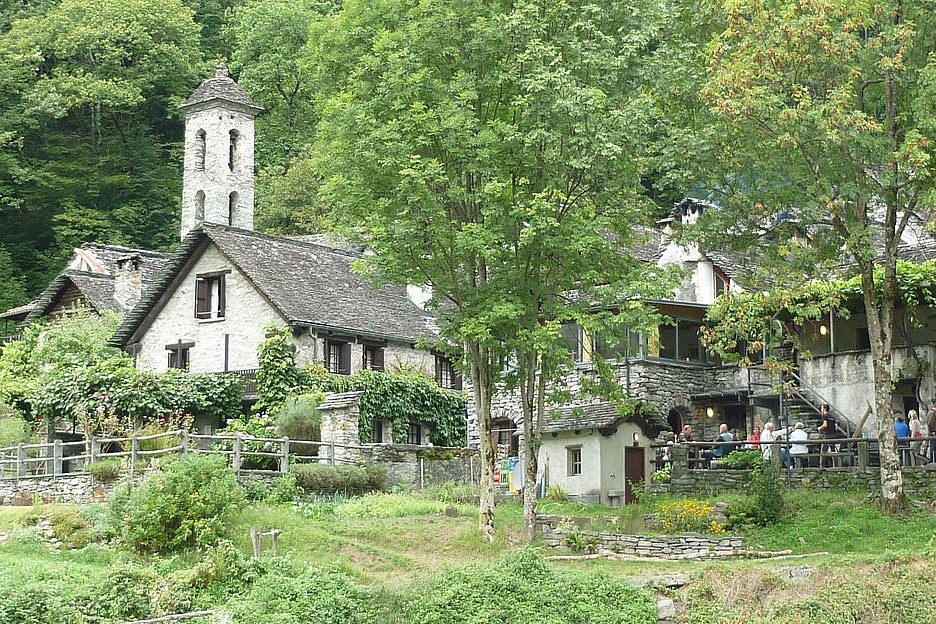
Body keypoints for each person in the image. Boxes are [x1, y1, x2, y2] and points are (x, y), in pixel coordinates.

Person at [817, 403, 840, 468]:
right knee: (833, 450)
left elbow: (825, 425)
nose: (821, 409)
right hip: (833, 435)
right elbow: (836, 427)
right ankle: (835, 466)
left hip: (827, 435)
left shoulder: (825, 416)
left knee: (823, 450)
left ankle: (822, 466)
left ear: (824, 409)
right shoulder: (832, 417)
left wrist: (819, 428)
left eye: (821, 408)